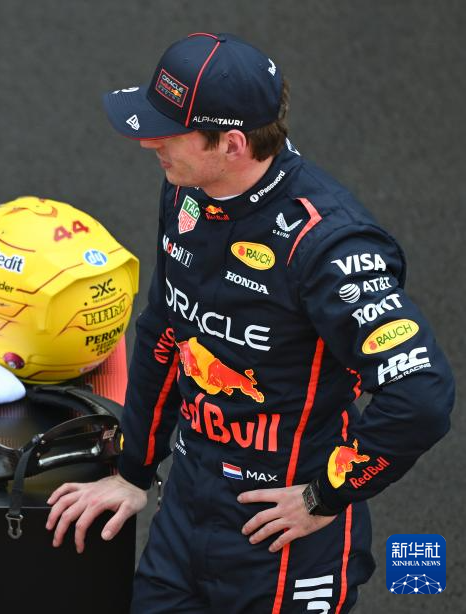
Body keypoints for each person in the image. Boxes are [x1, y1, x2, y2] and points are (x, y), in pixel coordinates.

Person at [46, 32, 454, 612]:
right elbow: (166, 328)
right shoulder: (188, 192)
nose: (147, 141)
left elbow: (420, 396)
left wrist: (322, 497)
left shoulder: (328, 245)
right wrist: (134, 471)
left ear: (232, 144)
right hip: (187, 514)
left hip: (283, 541)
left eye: (168, 130)